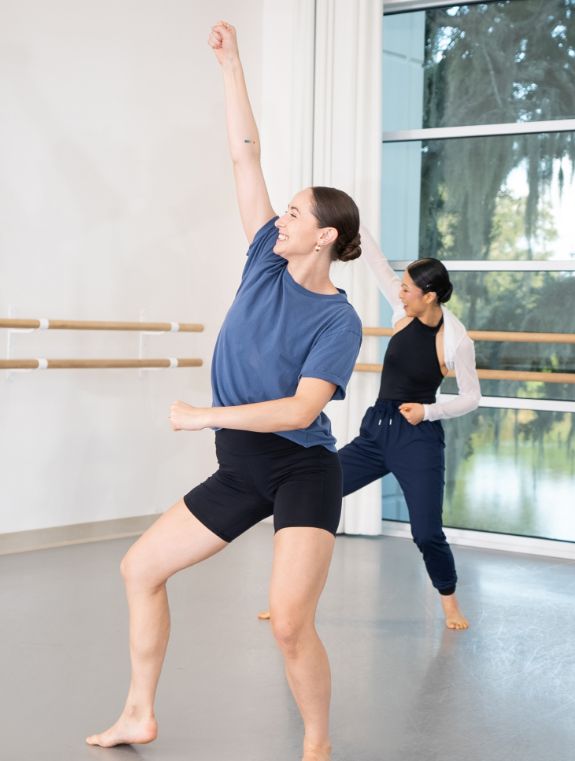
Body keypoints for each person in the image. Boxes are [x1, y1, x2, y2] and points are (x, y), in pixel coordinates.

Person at [86, 22, 362, 761]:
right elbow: (245, 155)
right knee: (139, 567)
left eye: (298, 214)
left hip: (303, 468)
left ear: (326, 236)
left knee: (289, 623)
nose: (283, 218)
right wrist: (231, 65)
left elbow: (303, 410)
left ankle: (315, 743)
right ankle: (139, 712)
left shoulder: (338, 318)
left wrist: (202, 413)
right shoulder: (264, 260)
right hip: (241, 466)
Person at [340, 229, 481, 629]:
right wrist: (354, 226)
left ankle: (450, 603)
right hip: (376, 431)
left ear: (429, 295)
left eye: (407, 289)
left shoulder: (456, 340)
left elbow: (472, 396)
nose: (399, 293)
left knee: (426, 532)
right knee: (316, 491)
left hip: (416, 437)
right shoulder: (403, 314)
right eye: (401, 288)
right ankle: (288, 598)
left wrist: (428, 411)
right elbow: (379, 265)